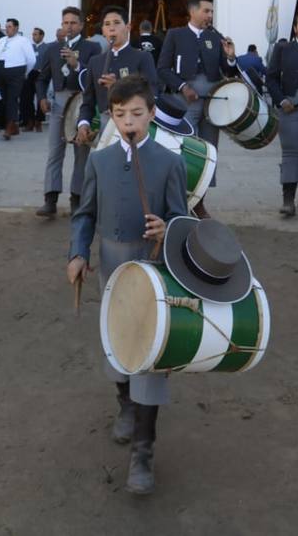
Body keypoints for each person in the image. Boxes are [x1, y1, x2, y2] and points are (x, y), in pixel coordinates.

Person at [66, 74, 187, 495]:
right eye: (120, 115)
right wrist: (78, 254)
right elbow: (84, 215)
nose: (129, 121)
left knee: (149, 356)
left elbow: (184, 222)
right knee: (117, 348)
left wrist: (167, 228)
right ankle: (125, 404)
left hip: (153, 272)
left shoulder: (171, 162)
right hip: (113, 266)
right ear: (111, 118)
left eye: (137, 113)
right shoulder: (98, 162)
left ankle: (143, 451)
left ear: (152, 115)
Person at [155, 0, 238, 216]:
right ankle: (178, 199)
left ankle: (199, 201)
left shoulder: (216, 37)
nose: (210, 15)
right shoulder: (175, 35)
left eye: (212, 12)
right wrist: (183, 87)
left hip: (212, 103)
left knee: (209, 150)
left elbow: (228, 71)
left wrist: (230, 58)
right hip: (185, 103)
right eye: (206, 11)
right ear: (193, 12)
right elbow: (162, 69)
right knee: (184, 149)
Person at [35, 6, 101, 217]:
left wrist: (77, 64)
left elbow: (93, 78)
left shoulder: (92, 48)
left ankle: (77, 198)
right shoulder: (52, 49)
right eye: (65, 23)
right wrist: (42, 97)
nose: (69, 26)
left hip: (81, 102)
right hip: (59, 102)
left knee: (81, 153)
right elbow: (42, 77)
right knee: (55, 151)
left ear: (81, 25)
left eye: (73, 23)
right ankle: (50, 198)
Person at [77, 6, 160, 145]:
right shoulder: (95, 62)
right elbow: (88, 101)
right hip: (105, 123)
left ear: (127, 27)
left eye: (116, 23)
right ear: (103, 30)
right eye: (107, 24)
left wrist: (117, 87)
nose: (111, 28)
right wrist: (83, 123)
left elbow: (152, 93)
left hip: (134, 122)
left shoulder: (142, 57)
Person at [265, 12, 298, 217]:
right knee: (291, 152)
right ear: (295, 28)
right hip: (290, 106)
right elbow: (270, 78)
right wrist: (281, 100)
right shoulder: (283, 49)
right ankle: (288, 200)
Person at [0, 18, 35, 138]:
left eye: (10, 26)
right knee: (5, 99)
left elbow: (31, 59)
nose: (7, 29)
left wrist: (25, 72)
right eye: (6, 27)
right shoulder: (2, 40)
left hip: (16, 70)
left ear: (16, 28)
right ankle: (14, 125)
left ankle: (9, 126)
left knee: (12, 98)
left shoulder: (23, 40)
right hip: (1, 70)